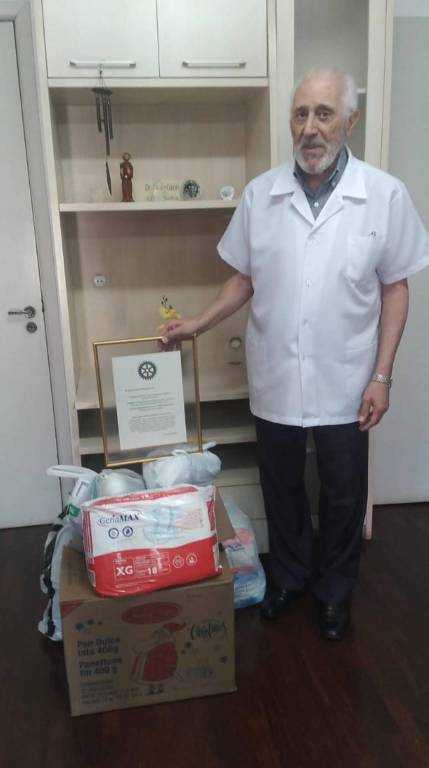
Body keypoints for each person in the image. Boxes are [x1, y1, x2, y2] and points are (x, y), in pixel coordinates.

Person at [161, 69, 429, 641]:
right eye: (300, 114)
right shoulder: (262, 194)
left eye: (324, 113)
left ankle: (334, 592)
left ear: (350, 120)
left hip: (348, 376)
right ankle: (288, 575)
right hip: (277, 371)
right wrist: (198, 324)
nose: (310, 128)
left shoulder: (383, 195)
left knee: (343, 492)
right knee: (280, 484)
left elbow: (395, 288)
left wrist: (382, 375)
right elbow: (244, 278)